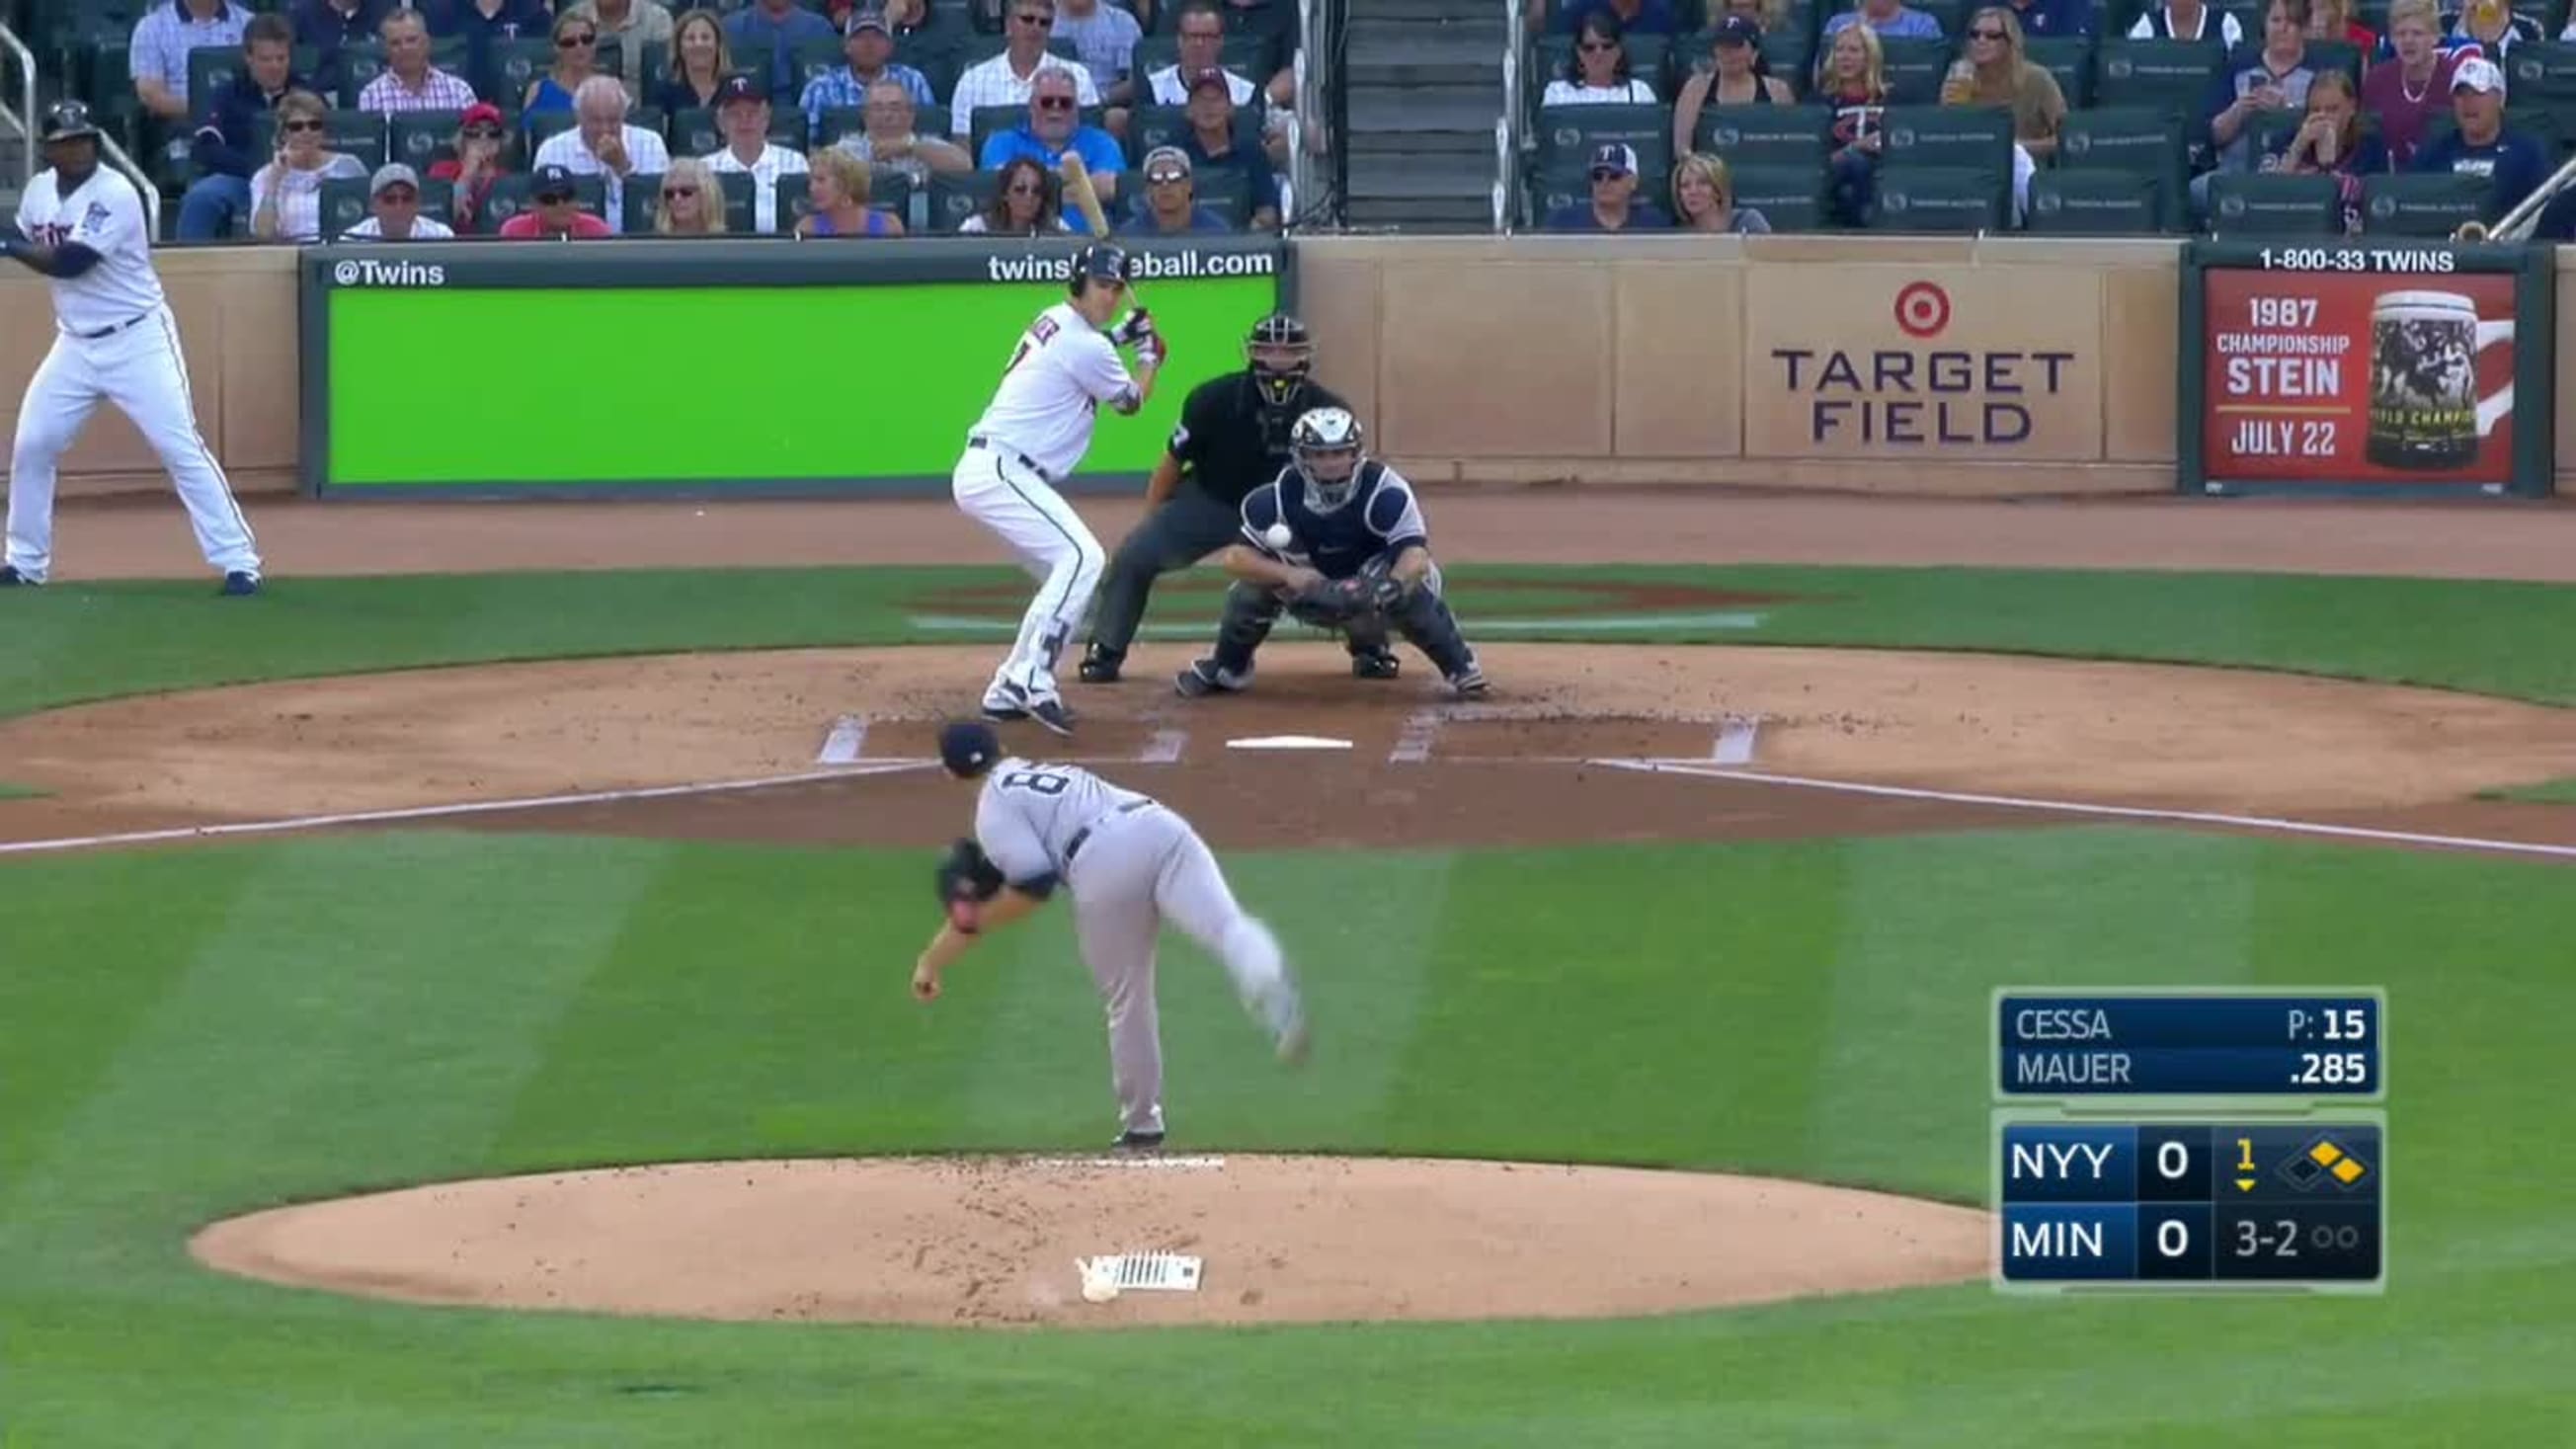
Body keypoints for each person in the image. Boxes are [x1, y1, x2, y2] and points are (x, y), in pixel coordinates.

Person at [911, 719, 1308, 1152]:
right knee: (1226, 926)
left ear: (949, 772)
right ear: (1001, 748)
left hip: (1103, 860)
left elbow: (1034, 887)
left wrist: (968, 928)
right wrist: (938, 954)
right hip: (1159, 825)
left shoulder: (993, 812)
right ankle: (1271, 989)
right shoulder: (1036, 773)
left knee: (1128, 995)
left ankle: (1142, 1126)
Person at [4, 102, 263, 596]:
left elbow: (71, 262)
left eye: (85, 139)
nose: (79, 148)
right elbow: (29, 233)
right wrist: (11, 242)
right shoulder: (39, 192)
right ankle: (24, 562)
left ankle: (239, 561)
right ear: (50, 148)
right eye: (68, 141)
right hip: (75, 344)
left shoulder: (114, 192)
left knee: (178, 446)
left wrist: (5, 247)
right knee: (33, 445)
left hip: (138, 338)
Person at [1079, 312, 1368, 685]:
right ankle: (1106, 648)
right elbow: (1171, 461)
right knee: (1135, 555)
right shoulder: (1211, 398)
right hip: (1214, 500)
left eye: (1288, 350)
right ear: (1252, 351)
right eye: (1269, 348)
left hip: (1294, 512)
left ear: (1305, 354)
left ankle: (1369, 646)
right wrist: (1152, 520)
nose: (1278, 359)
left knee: (1356, 559)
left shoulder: (1328, 408)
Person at [950, 243, 1165, 736]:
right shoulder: (1088, 345)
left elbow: (1083, 353)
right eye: (1101, 286)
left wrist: (1122, 335)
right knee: (1082, 558)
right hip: (1002, 468)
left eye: (1115, 288)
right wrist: (1150, 356)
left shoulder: (1058, 320)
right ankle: (1032, 675)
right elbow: (1129, 400)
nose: (1109, 296)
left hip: (999, 468)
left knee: (1065, 566)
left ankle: (1008, 686)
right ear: (1077, 283)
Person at [1172, 407, 1489, 700]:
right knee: (1249, 592)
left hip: (1372, 588)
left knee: (1407, 590)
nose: (1331, 462)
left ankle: (1459, 667)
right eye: (1319, 454)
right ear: (1301, 456)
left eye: (1340, 453)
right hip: (1310, 589)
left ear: (1356, 453)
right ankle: (1229, 668)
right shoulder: (1277, 498)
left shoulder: (1385, 491)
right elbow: (1235, 559)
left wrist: (1393, 584)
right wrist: (1291, 575)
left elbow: (1415, 555)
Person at [177, 13, 306, 241]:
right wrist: (257, 169)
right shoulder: (226, 95)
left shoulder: (306, 95)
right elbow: (206, 148)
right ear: (249, 58)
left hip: (297, 180)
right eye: (266, 59)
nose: (275, 66)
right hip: (241, 178)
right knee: (201, 197)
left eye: (281, 58)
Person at [2412, 56, 2547, 221]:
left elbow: (2543, 213)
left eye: (2478, 93)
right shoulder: (2433, 153)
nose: (2469, 102)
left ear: (2499, 99)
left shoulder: (2527, 154)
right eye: (2461, 94)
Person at [250, 90, 369, 243]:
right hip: (290, 256)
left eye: (314, 125)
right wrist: (274, 182)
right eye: (296, 126)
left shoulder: (348, 166)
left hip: (341, 251)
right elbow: (263, 235)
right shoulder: (266, 176)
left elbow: (367, 222)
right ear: (284, 134)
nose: (307, 132)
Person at [1671, 16, 1795, 159]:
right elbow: (1681, 148)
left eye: (1736, 46)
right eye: (1722, 45)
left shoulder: (1777, 91)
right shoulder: (1696, 88)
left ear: (1754, 52)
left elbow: (1788, 144)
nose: (1728, 52)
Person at [702, 73, 810, 233]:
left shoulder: (794, 162)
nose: (744, 121)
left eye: (752, 113)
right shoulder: (703, 169)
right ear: (721, 123)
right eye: (734, 114)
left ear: (766, 119)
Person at [2364, 0, 2460, 169]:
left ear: (2435, 37)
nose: (2408, 40)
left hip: (2443, 177)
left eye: (2417, 33)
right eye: (2401, 34)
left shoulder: (2455, 77)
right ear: (2391, 38)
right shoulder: (2376, 80)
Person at [1545, 141, 1671, 230]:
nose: (1604, 182)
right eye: (1597, 176)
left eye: (1614, 176)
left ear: (1633, 182)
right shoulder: (1563, 224)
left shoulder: (1654, 225)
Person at [429, 101, 513, 232]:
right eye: (474, 132)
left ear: (501, 140)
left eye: (493, 133)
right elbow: (442, 220)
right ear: (462, 139)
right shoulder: (441, 171)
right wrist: (467, 175)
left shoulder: (505, 178)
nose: (484, 138)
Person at [1543, 12, 1660, 105]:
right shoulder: (1557, 93)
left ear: (1618, 51)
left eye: (1607, 46)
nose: (1599, 53)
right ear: (1578, 52)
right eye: (1589, 48)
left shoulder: (1639, 92)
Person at [525, 10, 605, 131]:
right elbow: (526, 137)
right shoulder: (537, 90)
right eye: (570, 42)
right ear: (557, 48)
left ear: (595, 44)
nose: (580, 46)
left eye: (586, 39)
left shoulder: (612, 90)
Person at [1119, 145, 1230, 232]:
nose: (1165, 185)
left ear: (1189, 185)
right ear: (1148, 189)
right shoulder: (1130, 233)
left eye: (1174, 176)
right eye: (1156, 178)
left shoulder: (1215, 230)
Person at [797, 146, 905, 234]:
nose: (812, 188)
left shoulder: (889, 226)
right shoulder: (807, 229)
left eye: (821, 180)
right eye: (811, 181)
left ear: (847, 184)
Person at [336, 161, 458, 238]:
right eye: (389, 199)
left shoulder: (440, 236)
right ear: (373, 205)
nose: (399, 207)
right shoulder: (353, 239)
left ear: (418, 204)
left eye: (407, 199)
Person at [959, 155, 1075, 232]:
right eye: (1020, 190)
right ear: (1005, 194)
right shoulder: (977, 228)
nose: (1029, 197)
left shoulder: (1057, 228)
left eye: (1036, 191)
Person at [499, 162, 614, 237]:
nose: (560, 205)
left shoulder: (596, 230)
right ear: (534, 203)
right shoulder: (514, 231)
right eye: (549, 199)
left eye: (567, 196)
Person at [655, 8, 735, 116]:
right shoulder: (665, 91)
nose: (698, 44)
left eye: (705, 38)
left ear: (718, 45)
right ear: (679, 47)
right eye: (691, 38)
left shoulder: (734, 89)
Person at [1671, 151, 1772, 231]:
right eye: (1685, 186)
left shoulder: (1748, 221)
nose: (1692, 191)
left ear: (1718, 190)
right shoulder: (1679, 235)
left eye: (1703, 183)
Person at [653, 155, 728, 233]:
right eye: (670, 193)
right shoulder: (650, 243)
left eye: (686, 192)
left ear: (706, 194)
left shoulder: (730, 243)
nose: (677, 198)